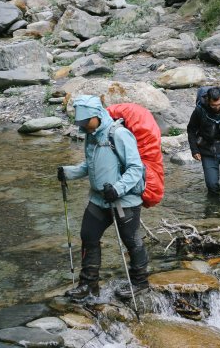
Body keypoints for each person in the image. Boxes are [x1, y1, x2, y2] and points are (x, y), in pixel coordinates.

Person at [57, 95, 149, 301]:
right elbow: (89, 167)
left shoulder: (119, 134)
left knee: (131, 241)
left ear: (97, 115)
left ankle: (141, 283)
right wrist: (68, 172)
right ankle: (89, 285)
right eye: (79, 122)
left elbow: (135, 168)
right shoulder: (91, 135)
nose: (82, 126)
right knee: (88, 235)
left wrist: (118, 189)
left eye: (85, 121)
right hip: (99, 199)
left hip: (123, 200)